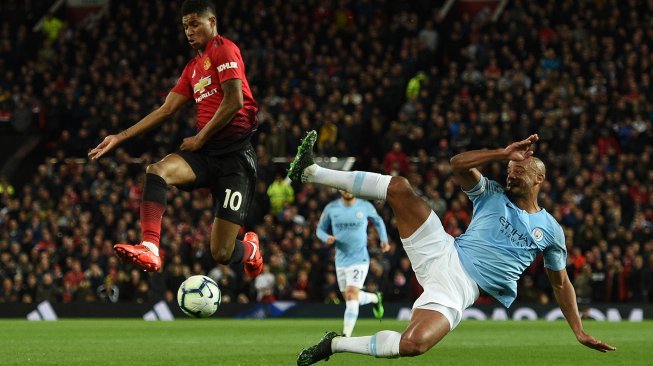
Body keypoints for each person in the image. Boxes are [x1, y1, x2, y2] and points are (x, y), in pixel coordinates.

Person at [288, 131, 615, 365]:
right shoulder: (491, 193)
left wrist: (579, 330)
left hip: (459, 287)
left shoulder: (552, 231)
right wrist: (502, 153)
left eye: (519, 173)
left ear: (539, 179)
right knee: (400, 187)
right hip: (442, 249)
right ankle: (310, 172)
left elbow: (561, 283)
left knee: (414, 344)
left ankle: (335, 344)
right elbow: (457, 164)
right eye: (510, 171)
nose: (511, 177)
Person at [87, 0, 262, 278]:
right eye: (185, 26)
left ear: (212, 23)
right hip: (206, 154)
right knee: (157, 171)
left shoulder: (224, 49)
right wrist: (119, 137)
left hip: (235, 159)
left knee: (222, 253)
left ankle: (251, 250)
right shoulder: (193, 68)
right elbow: (166, 109)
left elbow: (234, 101)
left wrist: (200, 138)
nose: (189, 31)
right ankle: (150, 248)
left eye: (195, 24)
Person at [317, 189, 390, 337]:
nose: (346, 190)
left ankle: (346, 336)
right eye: (343, 187)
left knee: (351, 294)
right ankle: (375, 298)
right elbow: (320, 230)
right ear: (339, 189)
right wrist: (326, 238)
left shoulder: (364, 206)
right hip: (341, 260)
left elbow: (378, 221)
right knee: (350, 298)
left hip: (360, 259)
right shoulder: (331, 208)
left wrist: (384, 240)